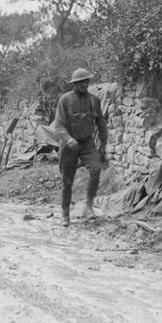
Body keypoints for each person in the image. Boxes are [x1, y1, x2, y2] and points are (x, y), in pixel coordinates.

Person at [53, 68, 108, 227]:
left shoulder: (94, 100)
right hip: (69, 145)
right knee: (67, 180)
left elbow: (101, 124)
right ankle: (65, 213)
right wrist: (68, 139)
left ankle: (89, 205)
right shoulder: (65, 100)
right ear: (74, 84)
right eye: (80, 82)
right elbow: (59, 125)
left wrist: (103, 144)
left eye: (86, 81)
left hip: (87, 143)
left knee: (96, 169)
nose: (84, 84)